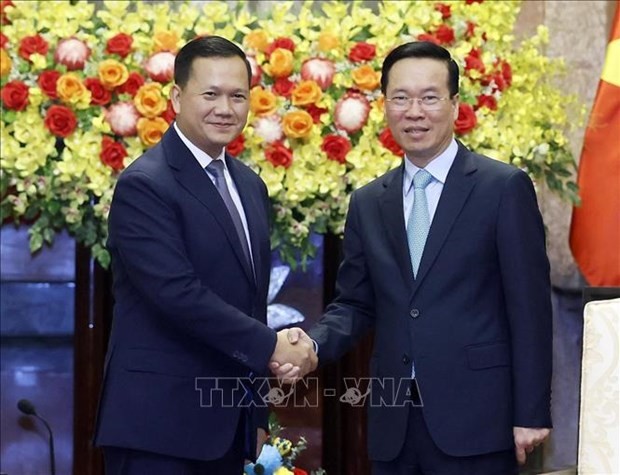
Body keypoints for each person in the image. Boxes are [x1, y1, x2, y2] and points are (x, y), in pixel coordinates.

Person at [276, 41, 553, 473]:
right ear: (384, 105)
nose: (414, 111)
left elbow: (530, 307)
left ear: (454, 104)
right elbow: (354, 303)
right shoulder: (369, 201)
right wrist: (311, 344)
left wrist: (531, 412)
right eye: (401, 98)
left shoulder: (502, 189)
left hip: (479, 420)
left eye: (429, 97)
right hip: (394, 422)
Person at [93, 36, 316, 474]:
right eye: (210, 94)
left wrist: (252, 415)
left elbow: (249, 302)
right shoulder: (146, 184)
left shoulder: (250, 185)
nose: (225, 108)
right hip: (157, 429)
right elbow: (178, 294)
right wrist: (273, 345)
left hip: (227, 428)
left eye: (237, 96)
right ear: (177, 97)